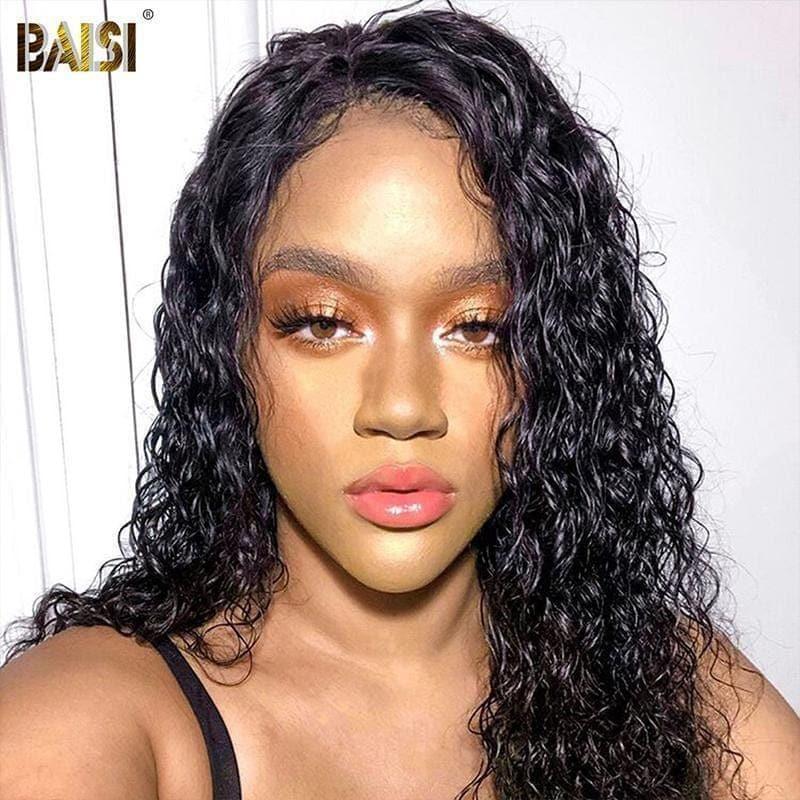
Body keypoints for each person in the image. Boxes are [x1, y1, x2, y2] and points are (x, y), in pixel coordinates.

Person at [0, 4, 798, 799]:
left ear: (559, 355)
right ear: (228, 345)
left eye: (479, 327)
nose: (404, 407)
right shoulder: (89, 719)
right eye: (322, 322)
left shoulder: (681, 690)